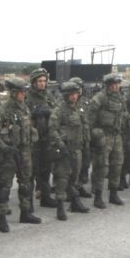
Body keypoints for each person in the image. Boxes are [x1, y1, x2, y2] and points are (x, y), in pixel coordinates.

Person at [0, 78, 42, 230]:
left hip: (24, 151)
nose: (24, 94)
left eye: (25, 91)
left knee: (26, 184)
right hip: (8, 153)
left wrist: (33, 136)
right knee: (5, 186)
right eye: (21, 92)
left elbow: (28, 127)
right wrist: (4, 147)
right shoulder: (3, 110)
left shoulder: (24, 108)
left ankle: (25, 213)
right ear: (13, 93)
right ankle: (1, 217)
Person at [48, 81, 90, 220]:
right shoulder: (59, 110)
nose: (74, 96)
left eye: (76, 94)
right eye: (71, 94)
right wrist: (61, 145)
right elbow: (52, 130)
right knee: (62, 178)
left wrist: (86, 144)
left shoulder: (79, 108)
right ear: (66, 95)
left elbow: (84, 127)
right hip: (64, 149)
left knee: (74, 176)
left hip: (77, 148)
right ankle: (60, 207)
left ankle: (74, 202)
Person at [87, 73, 127, 208]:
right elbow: (89, 120)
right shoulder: (100, 98)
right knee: (101, 167)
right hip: (104, 136)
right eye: (113, 84)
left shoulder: (120, 98)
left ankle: (113, 194)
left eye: (117, 84)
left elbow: (124, 114)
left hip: (117, 136)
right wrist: (95, 136)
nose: (116, 86)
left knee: (117, 166)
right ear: (108, 85)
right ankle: (98, 197)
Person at [25, 68, 58, 208]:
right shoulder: (27, 97)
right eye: (39, 81)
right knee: (30, 171)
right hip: (32, 140)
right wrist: (33, 113)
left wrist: (49, 112)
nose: (42, 83)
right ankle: (28, 203)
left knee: (46, 169)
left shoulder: (49, 96)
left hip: (46, 138)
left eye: (44, 81)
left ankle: (45, 197)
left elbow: (57, 110)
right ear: (33, 82)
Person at [69, 77, 92, 199]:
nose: (80, 90)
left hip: (85, 138)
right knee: (73, 167)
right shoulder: (67, 104)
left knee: (85, 164)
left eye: (80, 88)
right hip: (73, 140)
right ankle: (70, 190)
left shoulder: (85, 102)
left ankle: (79, 186)